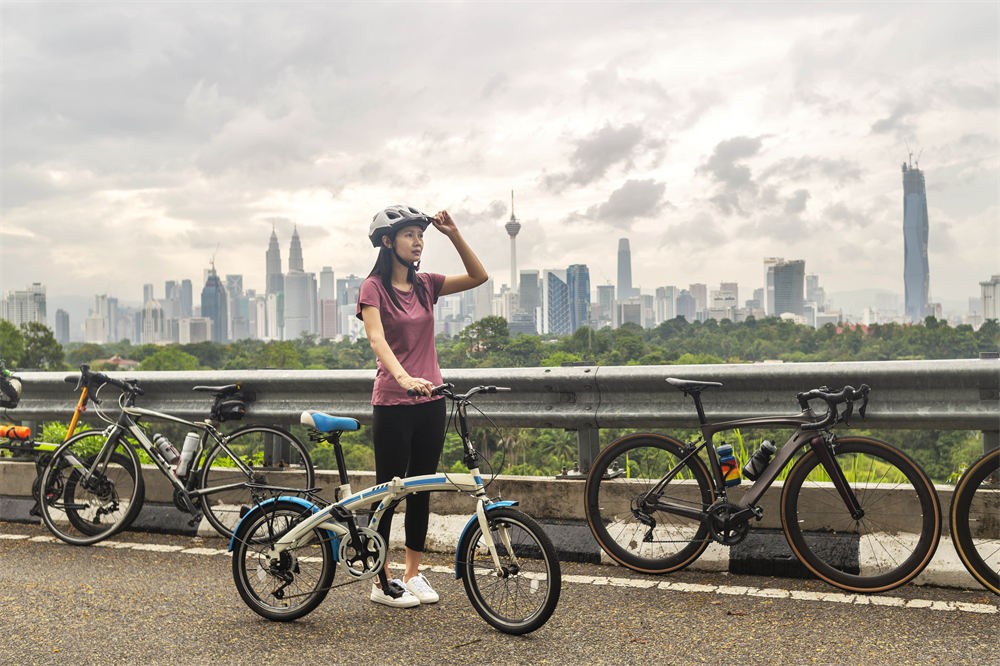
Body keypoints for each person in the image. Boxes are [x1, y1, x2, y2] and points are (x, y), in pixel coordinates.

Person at [357, 204, 488, 608]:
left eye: (421, 235)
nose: (418, 241)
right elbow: (377, 340)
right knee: (389, 492)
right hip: (394, 402)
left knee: (421, 489)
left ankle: (412, 574)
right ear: (386, 241)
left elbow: (479, 276)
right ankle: (380, 579)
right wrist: (404, 380)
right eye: (410, 234)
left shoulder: (426, 284)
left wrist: (453, 233)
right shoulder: (372, 288)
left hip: (430, 402)